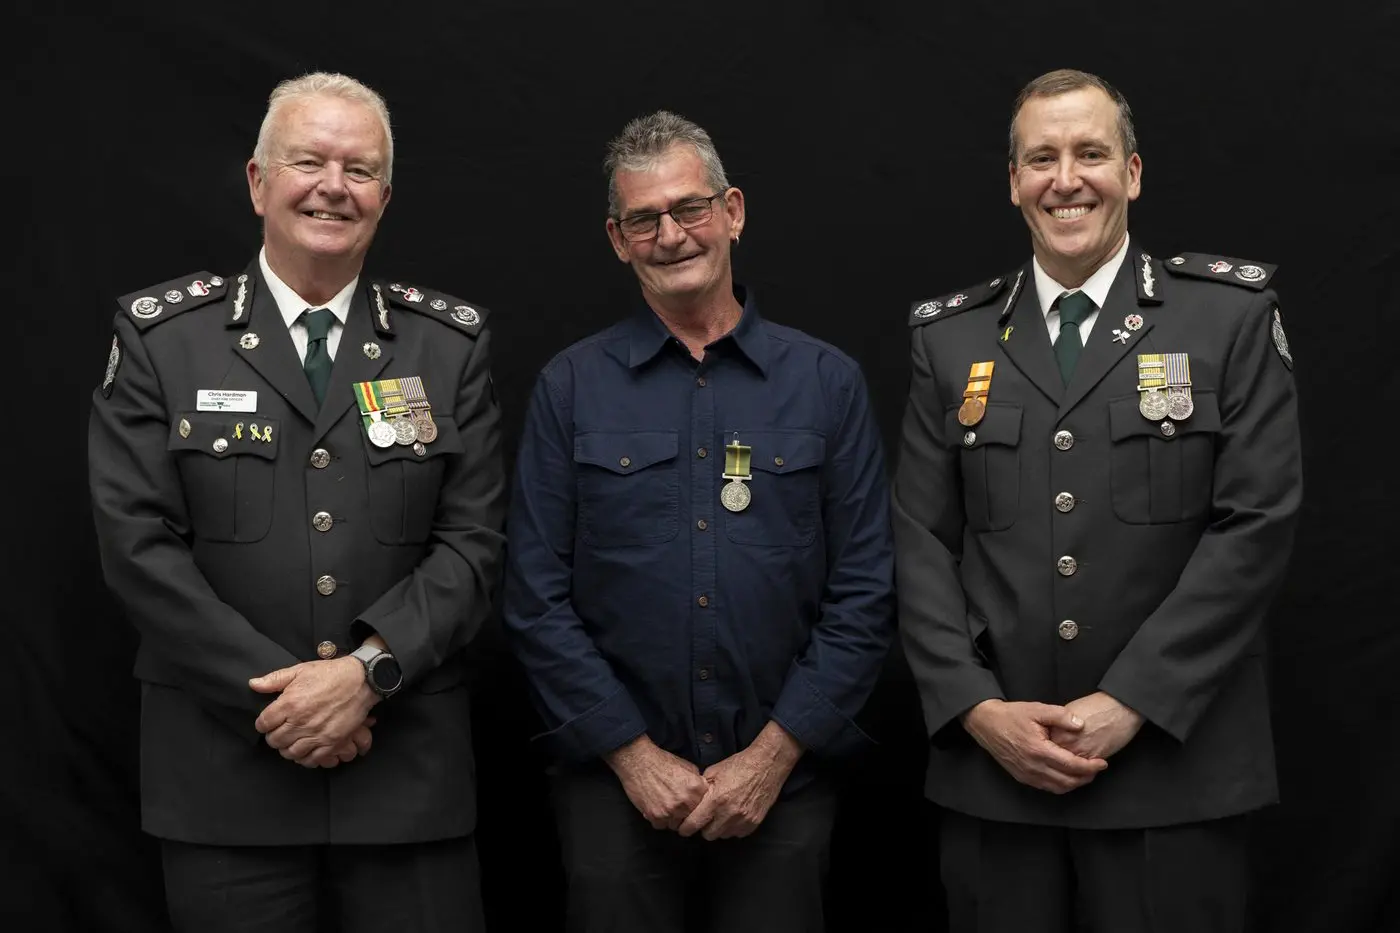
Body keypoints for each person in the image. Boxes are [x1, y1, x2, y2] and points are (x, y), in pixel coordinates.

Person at [87, 72, 505, 933]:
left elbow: (473, 543)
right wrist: (284, 704)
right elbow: (138, 548)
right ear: (257, 181)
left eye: (360, 169)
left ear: (385, 196)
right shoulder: (166, 340)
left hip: (406, 784)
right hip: (225, 786)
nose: (333, 186)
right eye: (308, 161)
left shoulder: (447, 346)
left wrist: (366, 674)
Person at [892, 68, 1302, 933]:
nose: (1066, 179)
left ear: (1133, 172)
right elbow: (919, 538)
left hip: (1173, 771)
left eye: (1091, 153)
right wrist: (976, 707)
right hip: (999, 770)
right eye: (1042, 158)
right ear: (1014, 181)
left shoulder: (1224, 319)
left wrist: (1133, 700)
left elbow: (1256, 524)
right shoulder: (950, 338)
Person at [501, 110, 895, 933]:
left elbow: (865, 589)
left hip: (784, 784)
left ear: (733, 211)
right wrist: (633, 757)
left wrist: (772, 757)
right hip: (613, 785)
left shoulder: (827, 383)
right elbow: (534, 597)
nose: (671, 235)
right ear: (618, 239)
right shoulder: (570, 387)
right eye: (644, 219)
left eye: (689, 208)